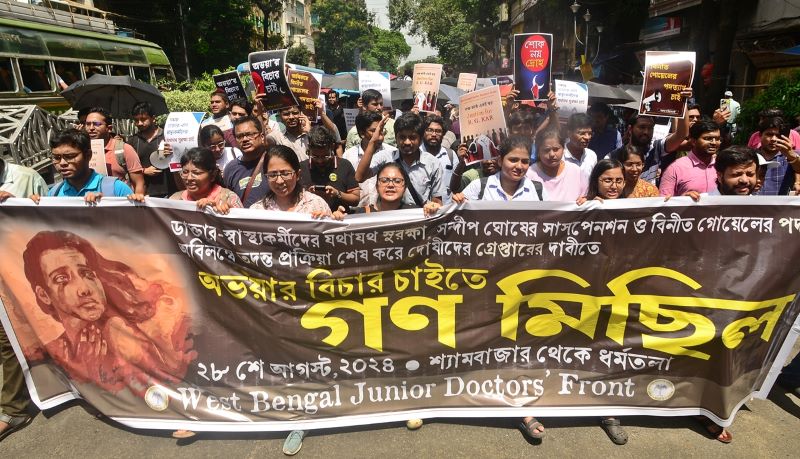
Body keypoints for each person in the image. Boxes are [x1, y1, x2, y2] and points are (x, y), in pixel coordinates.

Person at [20, 230, 194, 393]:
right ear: (44, 295)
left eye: (87, 273)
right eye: (61, 279)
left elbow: (167, 390)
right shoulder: (54, 349)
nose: (84, 289)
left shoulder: (119, 333)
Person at [0, 158, 47, 442]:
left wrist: (20, 206)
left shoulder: (25, 177)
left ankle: (13, 409)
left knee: (10, 338)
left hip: (17, 274)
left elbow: (49, 220)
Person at [354, 112, 444, 206]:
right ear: (396, 138)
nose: (407, 142)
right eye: (402, 137)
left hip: (419, 215)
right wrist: (373, 142)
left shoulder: (433, 164)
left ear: (421, 139)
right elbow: (359, 177)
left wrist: (433, 207)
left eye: (412, 137)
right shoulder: (385, 158)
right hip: (390, 214)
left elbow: (437, 201)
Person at [34, 129, 133, 203]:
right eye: (56, 157)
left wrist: (106, 204)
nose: (62, 163)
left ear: (88, 155)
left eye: (70, 156)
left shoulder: (116, 189)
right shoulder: (54, 194)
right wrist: (33, 206)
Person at [453, 135, 545, 202]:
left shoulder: (538, 190)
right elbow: (457, 216)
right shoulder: (479, 187)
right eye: (513, 160)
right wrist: (457, 202)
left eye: (525, 161)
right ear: (500, 161)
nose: (519, 166)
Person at [250, 145, 331, 217]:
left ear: (298, 175)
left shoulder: (316, 205)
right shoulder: (257, 211)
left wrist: (328, 220)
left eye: (285, 174)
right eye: (273, 175)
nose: (279, 181)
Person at [83, 107, 145, 195]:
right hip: (89, 201)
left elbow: (139, 183)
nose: (91, 128)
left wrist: (137, 201)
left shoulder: (124, 149)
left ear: (109, 128)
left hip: (118, 201)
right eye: (88, 124)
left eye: (97, 124)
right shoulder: (82, 150)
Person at [342, 111, 398, 206]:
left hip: (384, 211)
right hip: (357, 210)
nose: (379, 136)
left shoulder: (393, 153)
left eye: (381, 130)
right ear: (362, 133)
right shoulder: (348, 156)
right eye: (374, 131)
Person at [299, 126, 360, 212]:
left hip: (340, 217)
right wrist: (308, 195)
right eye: (315, 156)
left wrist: (337, 194)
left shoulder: (345, 165)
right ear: (309, 148)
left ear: (332, 147)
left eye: (325, 156)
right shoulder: (301, 168)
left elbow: (356, 199)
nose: (320, 161)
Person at [659, 120, 721, 197]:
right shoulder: (675, 168)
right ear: (693, 141)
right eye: (708, 138)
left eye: (717, 139)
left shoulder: (722, 166)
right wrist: (683, 199)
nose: (714, 143)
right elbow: (663, 200)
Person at [169, 147, 242, 212]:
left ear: (212, 175)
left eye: (196, 173)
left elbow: (242, 221)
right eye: (185, 172)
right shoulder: (174, 200)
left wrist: (222, 212)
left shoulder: (229, 199)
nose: (189, 178)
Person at [127, 102, 177, 198]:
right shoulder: (132, 141)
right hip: (144, 195)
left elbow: (181, 159)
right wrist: (143, 170)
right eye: (136, 120)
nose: (139, 123)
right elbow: (127, 166)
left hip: (169, 193)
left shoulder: (168, 137)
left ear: (153, 118)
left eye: (143, 119)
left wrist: (173, 152)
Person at [526, 129, 587, 201]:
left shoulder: (575, 171)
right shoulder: (529, 174)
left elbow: (586, 197)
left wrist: (585, 200)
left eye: (556, 149)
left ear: (563, 149)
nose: (552, 154)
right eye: (546, 150)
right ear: (538, 151)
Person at [224, 116, 270, 208]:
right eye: (240, 136)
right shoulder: (230, 169)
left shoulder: (273, 161)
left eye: (250, 134)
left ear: (262, 137)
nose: (245, 139)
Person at [754, 116, 800, 195]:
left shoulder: (793, 156)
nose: (774, 139)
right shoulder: (751, 157)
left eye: (778, 135)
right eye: (769, 134)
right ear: (760, 135)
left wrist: (791, 155)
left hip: (782, 203)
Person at [420, 114, 457, 204]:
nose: (434, 134)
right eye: (430, 130)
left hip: (447, 208)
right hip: (422, 210)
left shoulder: (451, 155)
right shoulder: (416, 154)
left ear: (443, 134)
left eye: (438, 131)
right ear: (423, 132)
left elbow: (457, 185)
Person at [563, 113, 597, 180]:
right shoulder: (560, 156)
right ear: (569, 133)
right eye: (582, 133)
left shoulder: (591, 155)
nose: (587, 137)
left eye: (590, 133)